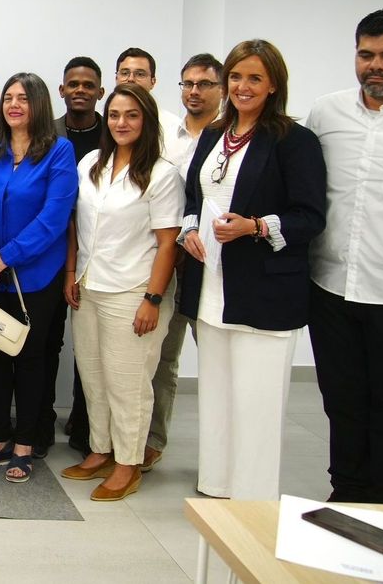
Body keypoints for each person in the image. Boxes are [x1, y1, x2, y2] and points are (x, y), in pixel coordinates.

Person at [178, 39, 326, 500]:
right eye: (237, 77)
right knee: (218, 396)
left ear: (273, 84)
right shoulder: (213, 134)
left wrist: (256, 226)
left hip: (265, 291)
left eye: (254, 78)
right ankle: (218, 486)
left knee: (258, 404)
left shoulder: (293, 140)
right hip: (212, 285)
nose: (243, 87)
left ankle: (254, 499)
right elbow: (194, 200)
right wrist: (188, 231)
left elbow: (310, 216)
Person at [61, 83, 183, 501]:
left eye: (131, 115)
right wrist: (72, 272)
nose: (121, 123)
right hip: (89, 286)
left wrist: (152, 298)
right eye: (114, 114)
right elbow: (76, 223)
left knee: (127, 383)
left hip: (134, 291)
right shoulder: (92, 163)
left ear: (146, 119)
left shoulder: (162, 174)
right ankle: (101, 450)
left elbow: (168, 242)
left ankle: (129, 463)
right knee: (93, 377)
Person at [307, 8, 383, 504]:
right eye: (366, 54)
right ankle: (347, 489)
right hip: (331, 285)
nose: (375, 66)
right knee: (341, 398)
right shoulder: (327, 113)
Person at [0, 72, 77, 483]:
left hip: (35, 275)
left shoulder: (59, 152)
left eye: (23, 99)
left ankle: (25, 444)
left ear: (39, 105)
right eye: (9, 98)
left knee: (30, 360)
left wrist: (8, 255)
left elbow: (54, 217)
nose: (14, 105)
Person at [141, 52, 226, 472]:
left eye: (204, 84)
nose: (194, 91)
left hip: (218, 262)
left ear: (222, 88)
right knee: (163, 356)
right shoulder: (163, 132)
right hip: (168, 260)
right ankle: (153, 441)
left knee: (218, 363)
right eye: (188, 84)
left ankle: (223, 454)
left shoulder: (231, 135)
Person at [47, 56, 108, 458]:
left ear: (99, 92)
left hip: (100, 252)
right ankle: (46, 415)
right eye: (74, 84)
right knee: (54, 339)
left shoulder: (116, 131)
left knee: (96, 344)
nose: (81, 90)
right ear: (62, 90)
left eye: (89, 85)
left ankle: (89, 425)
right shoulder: (47, 134)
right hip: (52, 250)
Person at [114, 47, 183, 140]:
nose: (130, 79)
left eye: (140, 74)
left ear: (153, 82)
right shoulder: (103, 122)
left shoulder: (173, 128)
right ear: (116, 78)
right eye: (125, 73)